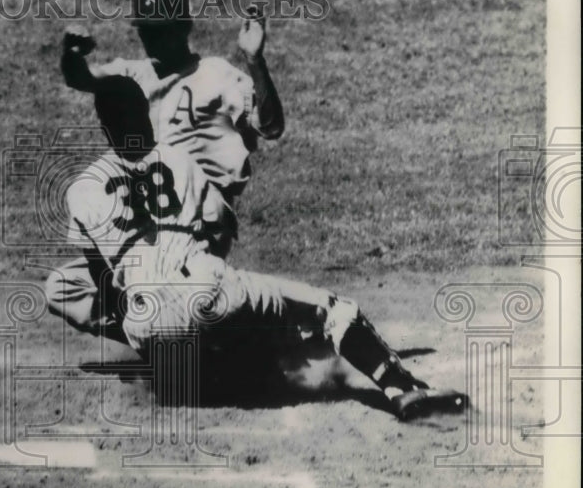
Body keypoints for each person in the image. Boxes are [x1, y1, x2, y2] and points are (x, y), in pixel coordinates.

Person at [54, 75, 468, 421]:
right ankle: (403, 389)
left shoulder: (83, 187)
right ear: (144, 113)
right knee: (334, 310)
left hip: (147, 327)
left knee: (117, 304)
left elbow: (103, 283)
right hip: (208, 291)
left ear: (104, 128)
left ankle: (199, 367)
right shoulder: (178, 160)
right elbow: (218, 233)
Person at [48, 0, 283, 337]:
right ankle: (154, 334)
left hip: (200, 225)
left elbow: (270, 126)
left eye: (161, 30)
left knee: (184, 296)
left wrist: (254, 61)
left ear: (184, 26)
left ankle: (246, 330)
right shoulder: (130, 74)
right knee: (63, 288)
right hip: (145, 223)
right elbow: (81, 78)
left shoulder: (216, 74)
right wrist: (71, 54)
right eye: (146, 31)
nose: (152, 39)